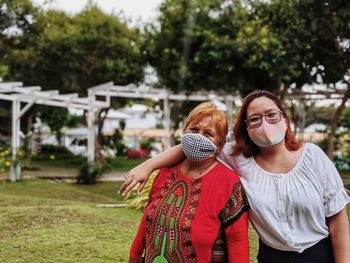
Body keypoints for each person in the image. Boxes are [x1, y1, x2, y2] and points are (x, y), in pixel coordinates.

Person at [121, 90, 350, 263]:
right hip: (272, 257)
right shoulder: (239, 159)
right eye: (255, 119)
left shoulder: (312, 157)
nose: (264, 123)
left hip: (321, 253)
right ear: (246, 128)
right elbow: (194, 146)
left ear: (284, 119)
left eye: (271, 115)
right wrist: (148, 166)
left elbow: (338, 221)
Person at [128, 102, 250, 263]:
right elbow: (148, 217)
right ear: (184, 131)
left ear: (219, 145)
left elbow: (237, 240)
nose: (198, 136)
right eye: (194, 129)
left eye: (208, 133)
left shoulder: (228, 182)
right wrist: (135, 255)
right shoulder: (166, 171)